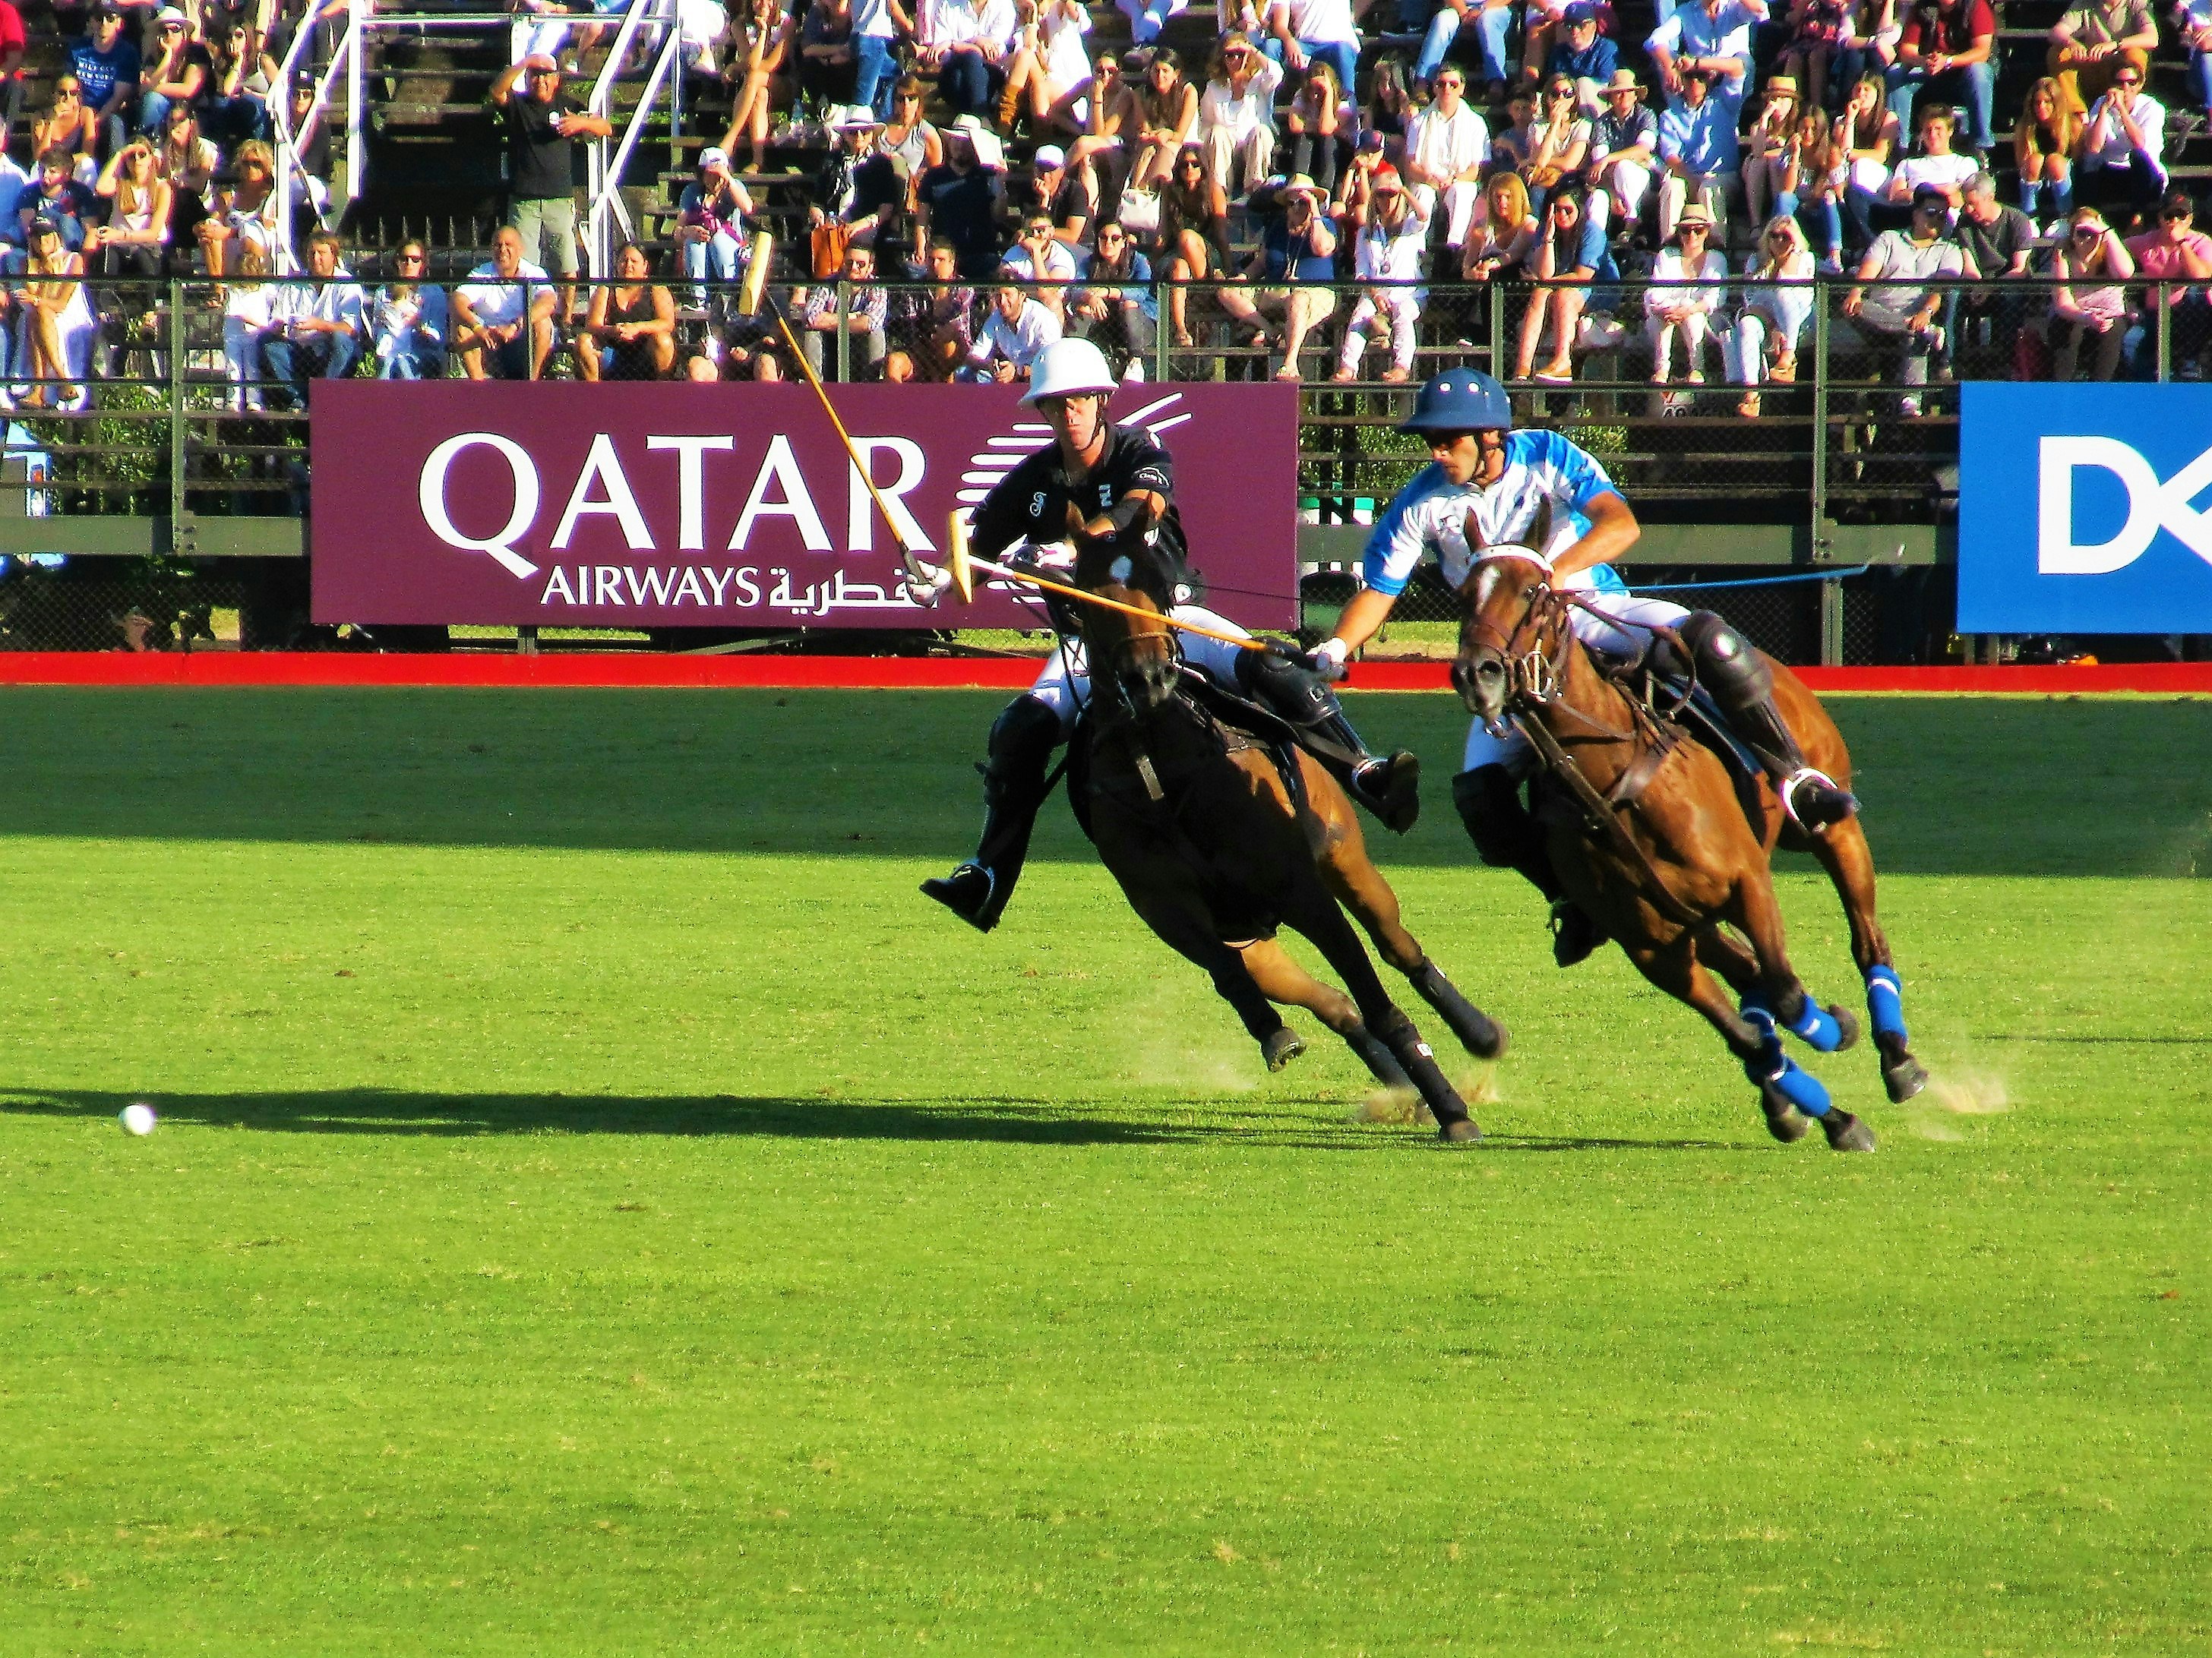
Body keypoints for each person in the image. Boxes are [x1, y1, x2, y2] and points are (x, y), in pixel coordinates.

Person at [1315, 369, 1857, 966]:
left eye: (1449, 440)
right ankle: (1573, 897)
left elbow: (1619, 523)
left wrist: (1555, 572)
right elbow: (1380, 591)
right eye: (1432, 442)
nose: (1437, 452)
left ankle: (1797, 778)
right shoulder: (1423, 502)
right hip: (1515, 659)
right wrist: (1337, 648)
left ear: (1491, 436)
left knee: (1711, 641)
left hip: (1593, 610)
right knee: (1481, 799)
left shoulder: (1546, 453)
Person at [918, 337, 1418, 932]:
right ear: (1043, 413)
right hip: (1090, 647)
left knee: (1276, 670)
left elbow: (1141, 508)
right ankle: (988, 876)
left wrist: (1078, 545)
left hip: (1171, 622)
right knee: (1017, 731)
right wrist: (937, 578)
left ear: (1102, 399)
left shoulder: (1139, 447)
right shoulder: (1034, 482)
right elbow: (972, 555)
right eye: (1056, 404)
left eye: (1079, 400)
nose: (1069, 413)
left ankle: (1364, 772)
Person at [489, 53, 611, 314]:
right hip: (525, 200)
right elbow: (497, 91)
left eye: (546, 75)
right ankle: (525, 316)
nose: (540, 80)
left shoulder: (567, 105)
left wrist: (582, 122)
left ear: (556, 79)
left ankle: (566, 320)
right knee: (524, 265)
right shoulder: (519, 105)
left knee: (568, 265)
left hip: (560, 198)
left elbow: (606, 127)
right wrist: (524, 64)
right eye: (536, 75)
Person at [1841, 183, 1965, 415]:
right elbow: (1870, 268)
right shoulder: (1889, 239)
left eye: (1942, 215)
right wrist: (1856, 291)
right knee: (1856, 306)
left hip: (1917, 317)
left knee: (1913, 333)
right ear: (1915, 214)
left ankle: (1910, 400)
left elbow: (1940, 290)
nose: (1937, 219)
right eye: (1931, 213)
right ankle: (1924, 334)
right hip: (1878, 314)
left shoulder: (1949, 250)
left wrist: (1926, 313)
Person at [1217, 174, 1338, 381]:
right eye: (1292, 203)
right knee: (1227, 292)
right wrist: (1242, 278)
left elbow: (1321, 248)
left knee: (1298, 299)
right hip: (1275, 291)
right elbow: (1260, 263)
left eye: (1303, 202)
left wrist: (1315, 212)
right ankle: (1269, 329)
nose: (1297, 208)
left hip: (1315, 293)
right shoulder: (1278, 227)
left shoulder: (1325, 224)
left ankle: (1290, 365)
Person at [1514, 182, 1615, 383]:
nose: (1562, 214)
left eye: (1568, 210)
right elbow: (1544, 273)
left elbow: (1583, 275)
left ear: (1580, 210)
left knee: (1562, 295)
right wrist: (1549, 238)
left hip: (1599, 291)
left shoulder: (1591, 231)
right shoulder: (1546, 228)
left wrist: (1547, 281)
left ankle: (1563, 361)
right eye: (1557, 209)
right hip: (1561, 286)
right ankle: (1522, 368)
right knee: (1540, 293)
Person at [1334, 169, 1427, 383]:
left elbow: (1424, 216)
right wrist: (1375, 295)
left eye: (1391, 195)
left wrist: (1402, 189)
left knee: (1403, 314)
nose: (1386, 200)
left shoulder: (1410, 225)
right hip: (1377, 293)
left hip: (1408, 293)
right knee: (1360, 315)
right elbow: (1362, 272)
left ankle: (1402, 366)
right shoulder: (1366, 233)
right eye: (1381, 195)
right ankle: (1348, 367)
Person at [1725, 212, 1815, 416]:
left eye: (1786, 236)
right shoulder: (1756, 261)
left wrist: (1792, 250)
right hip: (1767, 320)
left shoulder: (1804, 258)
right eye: (1774, 235)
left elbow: (1789, 284)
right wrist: (1774, 327)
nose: (1779, 240)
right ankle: (1751, 394)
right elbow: (1750, 300)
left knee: (1783, 292)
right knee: (1747, 323)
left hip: (1800, 322)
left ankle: (1789, 358)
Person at [260, 226, 363, 405]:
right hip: (300, 349)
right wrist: (279, 327)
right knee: (268, 343)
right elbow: (278, 318)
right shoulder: (294, 283)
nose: (316, 258)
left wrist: (318, 325)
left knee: (341, 340)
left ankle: (324, 396)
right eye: (311, 253)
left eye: (322, 253)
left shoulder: (347, 284)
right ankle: (298, 398)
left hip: (330, 351)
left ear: (334, 255)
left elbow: (350, 329)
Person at [1888, 0, 1996, 156]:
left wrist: (1948, 61)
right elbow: (1906, 50)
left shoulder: (1975, 6)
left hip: (1963, 73)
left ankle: (1981, 146)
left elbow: (1982, 51)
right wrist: (1924, 61)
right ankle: (1899, 146)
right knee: (1896, 73)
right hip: (1929, 73)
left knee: (1980, 71)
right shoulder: (1923, 8)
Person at [2125, 187, 2212, 374]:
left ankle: (2189, 360)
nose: (2175, 221)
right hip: (2153, 315)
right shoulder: (2148, 241)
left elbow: (2201, 277)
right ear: (2160, 218)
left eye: (2181, 216)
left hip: (2188, 314)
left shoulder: (2201, 242)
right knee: (2141, 365)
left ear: (2190, 219)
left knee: (2196, 293)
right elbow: (2116, 252)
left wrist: (2182, 244)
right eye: (2169, 216)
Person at [453, 223, 558, 379]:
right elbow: (457, 301)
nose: (502, 250)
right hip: (488, 341)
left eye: (508, 245)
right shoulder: (481, 273)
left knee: (543, 323)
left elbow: (549, 301)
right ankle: (478, 392)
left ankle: (532, 384)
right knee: (462, 328)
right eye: (497, 245)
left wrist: (516, 326)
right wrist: (478, 328)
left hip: (522, 341)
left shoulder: (534, 272)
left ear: (520, 250)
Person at [1402, 64, 1487, 251]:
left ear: (1462, 88)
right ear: (1434, 88)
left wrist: (1453, 180)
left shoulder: (1476, 123)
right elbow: (1411, 165)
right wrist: (1429, 179)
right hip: (1428, 179)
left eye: (1453, 84)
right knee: (1422, 193)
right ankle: (1415, 249)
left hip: (1458, 179)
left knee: (1463, 191)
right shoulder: (1419, 121)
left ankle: (1455, 248)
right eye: (1441, 84)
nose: (1447, 89)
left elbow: (1475, 170)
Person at [2047, 204, 2137, 379]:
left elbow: (2126, 273)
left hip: (2111, 315)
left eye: (2092, 233)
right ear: (2072, 235)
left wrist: (2106, 232)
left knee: (2112, 330)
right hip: (2075, 314)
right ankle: (2061, 388)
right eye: (2081, 232)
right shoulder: (2063, 254)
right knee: (2065, 328)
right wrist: (2087, 317)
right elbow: (2062, 302)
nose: (2087, 237)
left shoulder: (2109, 251)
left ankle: (2100, 388)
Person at [1645, 200, 1727, 384]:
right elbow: (1656, 293)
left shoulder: (1716, 258)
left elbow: (1715, 299)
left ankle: (1697, 368)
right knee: (1663, 314)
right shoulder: (1666, 255)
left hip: (1703, 320)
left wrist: (1687, 310)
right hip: (1666, 316)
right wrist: (1668, 310)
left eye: (1698, 230)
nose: (1692, 235)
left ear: (1707, 232)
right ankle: (1661, 370)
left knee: (1691, 308)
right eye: (1686, 230)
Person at [916, 114, 1006, 281]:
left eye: (965, 142)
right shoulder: (934, 176)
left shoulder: (989, 176)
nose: (959, 146)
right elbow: (923, 218)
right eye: (955, 140)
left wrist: (1001, 185)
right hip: (943, 255)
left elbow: (999, 216)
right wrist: (921, 246)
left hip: (980, 253)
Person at [1645, 0, 1769, 121]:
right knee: (1664, 58)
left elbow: (1760, 9)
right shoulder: (1685, 11)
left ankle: (1726, 122)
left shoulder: (1735, 6)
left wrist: (1697, 63)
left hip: (1730, 76)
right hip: (1700, 75)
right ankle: (1680, 120)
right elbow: (1655, 40)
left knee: (1745, 61)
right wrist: (1669, 66)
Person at [1655, 67, 1736, 244]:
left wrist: (1702, 62)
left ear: (1708, 80)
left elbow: (1738, 70)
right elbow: (1671, 155)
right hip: (1687, 174)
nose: (1695, 82)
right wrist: (1691, 179)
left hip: (1722, 175)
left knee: (1709, 188)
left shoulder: (1724, 104)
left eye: (1700, 77)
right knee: (1672, 186)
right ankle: (1669, 244)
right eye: (1689, 77)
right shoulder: (1670, 115)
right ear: (1681, 80)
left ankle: (1717, 244)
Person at [2080, 61, 2167, 221]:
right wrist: (2104, 110)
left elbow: (2139, 144)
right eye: (2120, 83)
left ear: (2140, 84)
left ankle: (2138, 216)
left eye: (2131, 83)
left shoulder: (2153, 108)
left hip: (2144, 173)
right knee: (2089, 161)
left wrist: (2122, 110)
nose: (2125, 88)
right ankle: (2089, 217)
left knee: (2138, 155)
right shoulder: (2101, 103)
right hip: (2112, 171)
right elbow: (2093, 147)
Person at [578, 239, 678, 379]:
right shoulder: (605, 290)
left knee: (664, 340)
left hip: (645, 354)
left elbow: (667, 323)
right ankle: (594, 395)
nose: (628, 265)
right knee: (584, 341)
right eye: (624, 261)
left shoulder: (657, 289)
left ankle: (661, 393)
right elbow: (593, 325)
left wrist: (637, 328)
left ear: (645, 266)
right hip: (612, 352)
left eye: (634, 261)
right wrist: (612, 330)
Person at [2047, 0, 2157, 121]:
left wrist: (2115, 45)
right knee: (2059, 53)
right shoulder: (2084, 3)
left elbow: (2152, 38)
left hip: (2121, 70)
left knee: (2137, 54)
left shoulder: (2137, 3)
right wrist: (2071, 43)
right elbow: (2056, 32)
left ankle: (2127, 105)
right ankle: (2077, 113)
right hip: (2094, 68)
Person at [675, 146, 754, 309]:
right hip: (702, 252)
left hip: (729, 249)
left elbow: (748, 208)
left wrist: (729, 180)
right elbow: (677, 231)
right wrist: (687, 231)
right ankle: (699, 299)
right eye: (710, 174)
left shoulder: (735, 186)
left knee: (719, 239)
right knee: (693, 242)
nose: (715, 178)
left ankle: (729, 295)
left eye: (719, 173)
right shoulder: (692, 192)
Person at [999, 0, 1094, 134]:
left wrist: (1071, 8)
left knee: (1040, 88)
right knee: (1025, 56)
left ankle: (1041, 139)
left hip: (1069, 84)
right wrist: (1033, 16)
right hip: (1045, 78)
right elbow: (1025, 49)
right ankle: (1005, 126)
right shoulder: (1028, 13)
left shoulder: (1061, 7)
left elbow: (1084, 24)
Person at [1069, 216, 1155, 362]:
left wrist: (1110, 291)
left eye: (1115, 238)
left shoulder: (1138, 260)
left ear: (1124, 242)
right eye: (1103, 237)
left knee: (1129, 303)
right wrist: (1090, 297)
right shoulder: (1089, 262)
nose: (1108, 242)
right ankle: (1071, 357)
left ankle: (1136, 360)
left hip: (1138, 322)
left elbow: (1142, 292)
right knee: (1085, 307)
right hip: (1103, 320)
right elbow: (1075, 289)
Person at [799, 238, 888, 377]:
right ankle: (815, 385)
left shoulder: (876, 287)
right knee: (811, 333)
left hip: (860, 343)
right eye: (849, 262)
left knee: (876, 334)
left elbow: (871, 322)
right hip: (829, 340)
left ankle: (873, 387)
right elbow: (811, 318)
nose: (854, 268)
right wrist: (852, 317)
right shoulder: (828, 283)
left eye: (861, 264)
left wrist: (830, 320)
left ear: (870, 267)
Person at [919, 0, 1019, 121]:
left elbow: (994, 53)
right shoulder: (947, 5)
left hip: (989, 76)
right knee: (966, 63)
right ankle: (981, 119)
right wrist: (976, 42)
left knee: (966, 67)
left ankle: (969, 122)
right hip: (952, 72)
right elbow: (943, 53)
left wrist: (953, 44)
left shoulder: (1004, 5)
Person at [1587, 69, 1657, 237]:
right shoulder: (1602, 122)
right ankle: (1594, 243)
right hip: (1612, 181)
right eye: (1618, 92)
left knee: (1625, 166)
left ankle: (1631, 222)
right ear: (1610, 98)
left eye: (1628, 92)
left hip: (1646, 177)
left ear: (1635, 96)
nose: (1623, 96)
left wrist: (1611, 158)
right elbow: (1599, 164)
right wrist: (1612, 191)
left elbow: (1643, 149)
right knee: (1598, 197)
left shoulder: (1646, 115)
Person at [69, 7, 142, 163]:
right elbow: (69, 85)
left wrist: (95, 120)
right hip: (80, 110)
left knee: (114, 123)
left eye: (110, 18)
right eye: (99, 17)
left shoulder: (127, 53)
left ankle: (115, 175)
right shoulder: (77, 48)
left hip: (111, 111)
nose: (103, 23)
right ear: (91, 21)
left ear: (119, 23)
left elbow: (118, 98)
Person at [90, 137, 169, 276]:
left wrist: (121, 235)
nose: (137, 160)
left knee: (142, 258)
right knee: (108, 259)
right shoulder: (120, 184)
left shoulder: (162, 188)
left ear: (151, 159)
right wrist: (120, 154)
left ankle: (151, 298)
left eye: (142, 155)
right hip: (119, 246)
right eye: (131, 156)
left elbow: (153, 233)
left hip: (148, 248)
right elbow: (100, 187)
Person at [370, 239, 449, 379]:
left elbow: (439, 339)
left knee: (403, 363)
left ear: (423, 264)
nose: (409, 264)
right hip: (391, 350)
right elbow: (377, 332)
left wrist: (420, 327)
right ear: (397, 262)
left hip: (425, 352)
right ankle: (384, 396)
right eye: (404, 259)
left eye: (415, 260)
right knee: (389, 362)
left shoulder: (434, 292)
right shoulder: (383, 292)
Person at [2014, 74, 2081, 225]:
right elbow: (2021, 164)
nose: (2041, 107)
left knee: (2055, 160)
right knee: (2035, 159)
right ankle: (2029, 218)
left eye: (2047, 102)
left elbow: (2078, 160)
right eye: (2037, 103)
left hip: (2063, 177)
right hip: (2036, 178)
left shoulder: (2072, 124)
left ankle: (2065, 217)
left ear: (2056, 103)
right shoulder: (2025, 127)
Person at [963, 278, 1061, 378]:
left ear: (1022, 296)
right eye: (998, 295)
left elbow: (1050, 364)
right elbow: (975, 354)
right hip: (1008, 373)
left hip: (1038, 378)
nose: (1002, 301)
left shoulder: (1042, 319)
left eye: (1008, 295)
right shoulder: (996, 317)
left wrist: (1018, 371)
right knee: (964, 373)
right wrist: (988, 365)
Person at [1264, 0, 1362, 96]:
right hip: (1304, 46)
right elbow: (1280, 25)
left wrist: (1355, 17)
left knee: (1343, 50)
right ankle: (1265, 98)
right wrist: (1289, 41)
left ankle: (1347, 100)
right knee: (1272, 46)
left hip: (1337, 45)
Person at [137, 7, 210, 136]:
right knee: (153, 99)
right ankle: (148, 145)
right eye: (164, 31)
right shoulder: (153, 56)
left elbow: (188, 90)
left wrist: (152, 87)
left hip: (195, 109)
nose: (169, 35)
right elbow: (144, 91)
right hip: (165, 107)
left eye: (175, 30)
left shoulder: (197, 52)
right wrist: (168, 57)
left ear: (184, 33)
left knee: (153, 96)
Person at [1741, 74, 1800, 230]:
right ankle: (1756, 224)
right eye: (1774, 98)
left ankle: (1778, 220)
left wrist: (1781, 149)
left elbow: (1794, 151)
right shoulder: (1759, 125)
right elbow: (1758, 152)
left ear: (1792, 102)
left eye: (1784, 99)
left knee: (1775, 162)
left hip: (1786, 176)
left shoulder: (1798, 125)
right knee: (1756, 163)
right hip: (1759, 176)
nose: (1778, 104)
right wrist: (1765, 118)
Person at [1548, 5, 1620, 110]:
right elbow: (1553, 82)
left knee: (1584, 84)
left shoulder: (1607, 47)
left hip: (1599, 107)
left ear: (1594, 26)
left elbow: (1605, 85)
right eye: (1569, 26)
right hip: (1567, 103)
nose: (1574, 31)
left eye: (1581, 25)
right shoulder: (1559, 51)